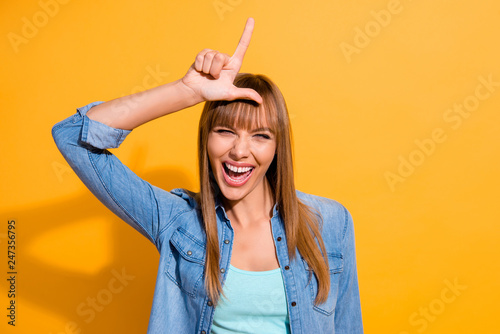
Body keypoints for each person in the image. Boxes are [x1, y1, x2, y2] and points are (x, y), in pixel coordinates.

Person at [52, 17, 363, 334]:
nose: (240, 151)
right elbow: (72, 136)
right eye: (226, 131)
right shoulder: (178, 221)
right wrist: (186, 91)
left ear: (277, 148)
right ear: (206, 138)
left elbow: (349, 327)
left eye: (260, 136)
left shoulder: (331, 222)